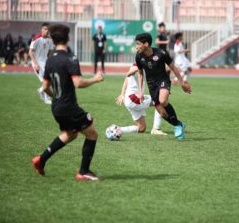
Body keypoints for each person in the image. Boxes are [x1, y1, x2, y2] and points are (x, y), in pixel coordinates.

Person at [32, 24, 104, 181]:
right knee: (92, 134)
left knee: (70, 134)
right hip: (69, 107)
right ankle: (83, 172)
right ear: (68, 38)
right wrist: (95, 79)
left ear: (52, 39)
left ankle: (41, 160)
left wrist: (56, 98)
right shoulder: (70, 58)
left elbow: (44, 87)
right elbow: (78, 83)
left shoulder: (50, 60)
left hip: (56, 107)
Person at [133, 33, 191, 140]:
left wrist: (182, 83)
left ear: (146, 44)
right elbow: (140, 73)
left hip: (163, 80)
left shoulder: (161, 53)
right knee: (163, 114)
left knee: (163, 100)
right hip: (152, 86)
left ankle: (177, 126)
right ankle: (179, 124)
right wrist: (140, 91)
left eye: (138, 44)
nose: (136, 46)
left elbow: (173, 68)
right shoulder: (138, 56)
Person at [116, 64, 167, 136]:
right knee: (159, 100)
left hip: (130, 100)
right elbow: (130, 73)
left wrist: (122, 94)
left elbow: (127, 78)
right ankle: (156, 129)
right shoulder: (138, 65)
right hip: (133, 98)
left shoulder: (143, 64)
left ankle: (117, 130)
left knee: (141, 128)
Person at [29, 23, 54, 104]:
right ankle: (46, 98)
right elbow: (30, 52)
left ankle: (41, 90)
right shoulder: (36, 38)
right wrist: (36, 64)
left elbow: (50, 52)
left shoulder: (50, 40)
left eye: (48, 29)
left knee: (51, 80)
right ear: (42, 30)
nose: (47, 31)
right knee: (45, 81)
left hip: (45, 62)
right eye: (46, 29)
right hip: (37, 63)